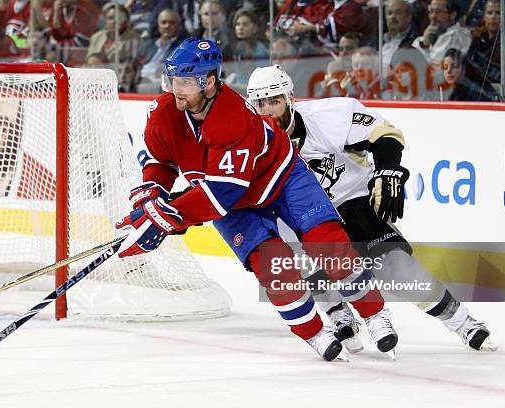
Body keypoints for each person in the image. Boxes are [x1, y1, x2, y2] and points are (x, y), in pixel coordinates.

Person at [116, 37, 398, 361]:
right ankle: (316, 333)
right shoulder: (163, 114)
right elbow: (159, 162)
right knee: (274, 266)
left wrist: (170, 216)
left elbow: (222, 194)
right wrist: (152, 198)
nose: (176, 89)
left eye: (185, 81)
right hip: (235, 205)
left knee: (328, 243)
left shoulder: (231, 116)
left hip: (282, 177)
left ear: (208, 82)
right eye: (173, 79)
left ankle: (375, 314)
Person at [245, 64, 497, 352]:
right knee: (286, 247)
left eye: (274, 101)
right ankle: (338, 312)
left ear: (290, 98)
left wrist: (388, 170)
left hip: (352, 201)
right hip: (302, 215)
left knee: (398, 269)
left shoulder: (329, 116)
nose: (267, 111)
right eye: (260, 103)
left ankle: (463, 322)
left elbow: (384, 134)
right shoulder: (247, 139)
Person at [412, 0, 472, 65]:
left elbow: (438, 68)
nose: (433, 16)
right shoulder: (430, 33)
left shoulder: (461, 36)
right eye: (431, 11)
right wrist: (424, 44)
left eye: (438, 12)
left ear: (453, 15)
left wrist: (425, 47)